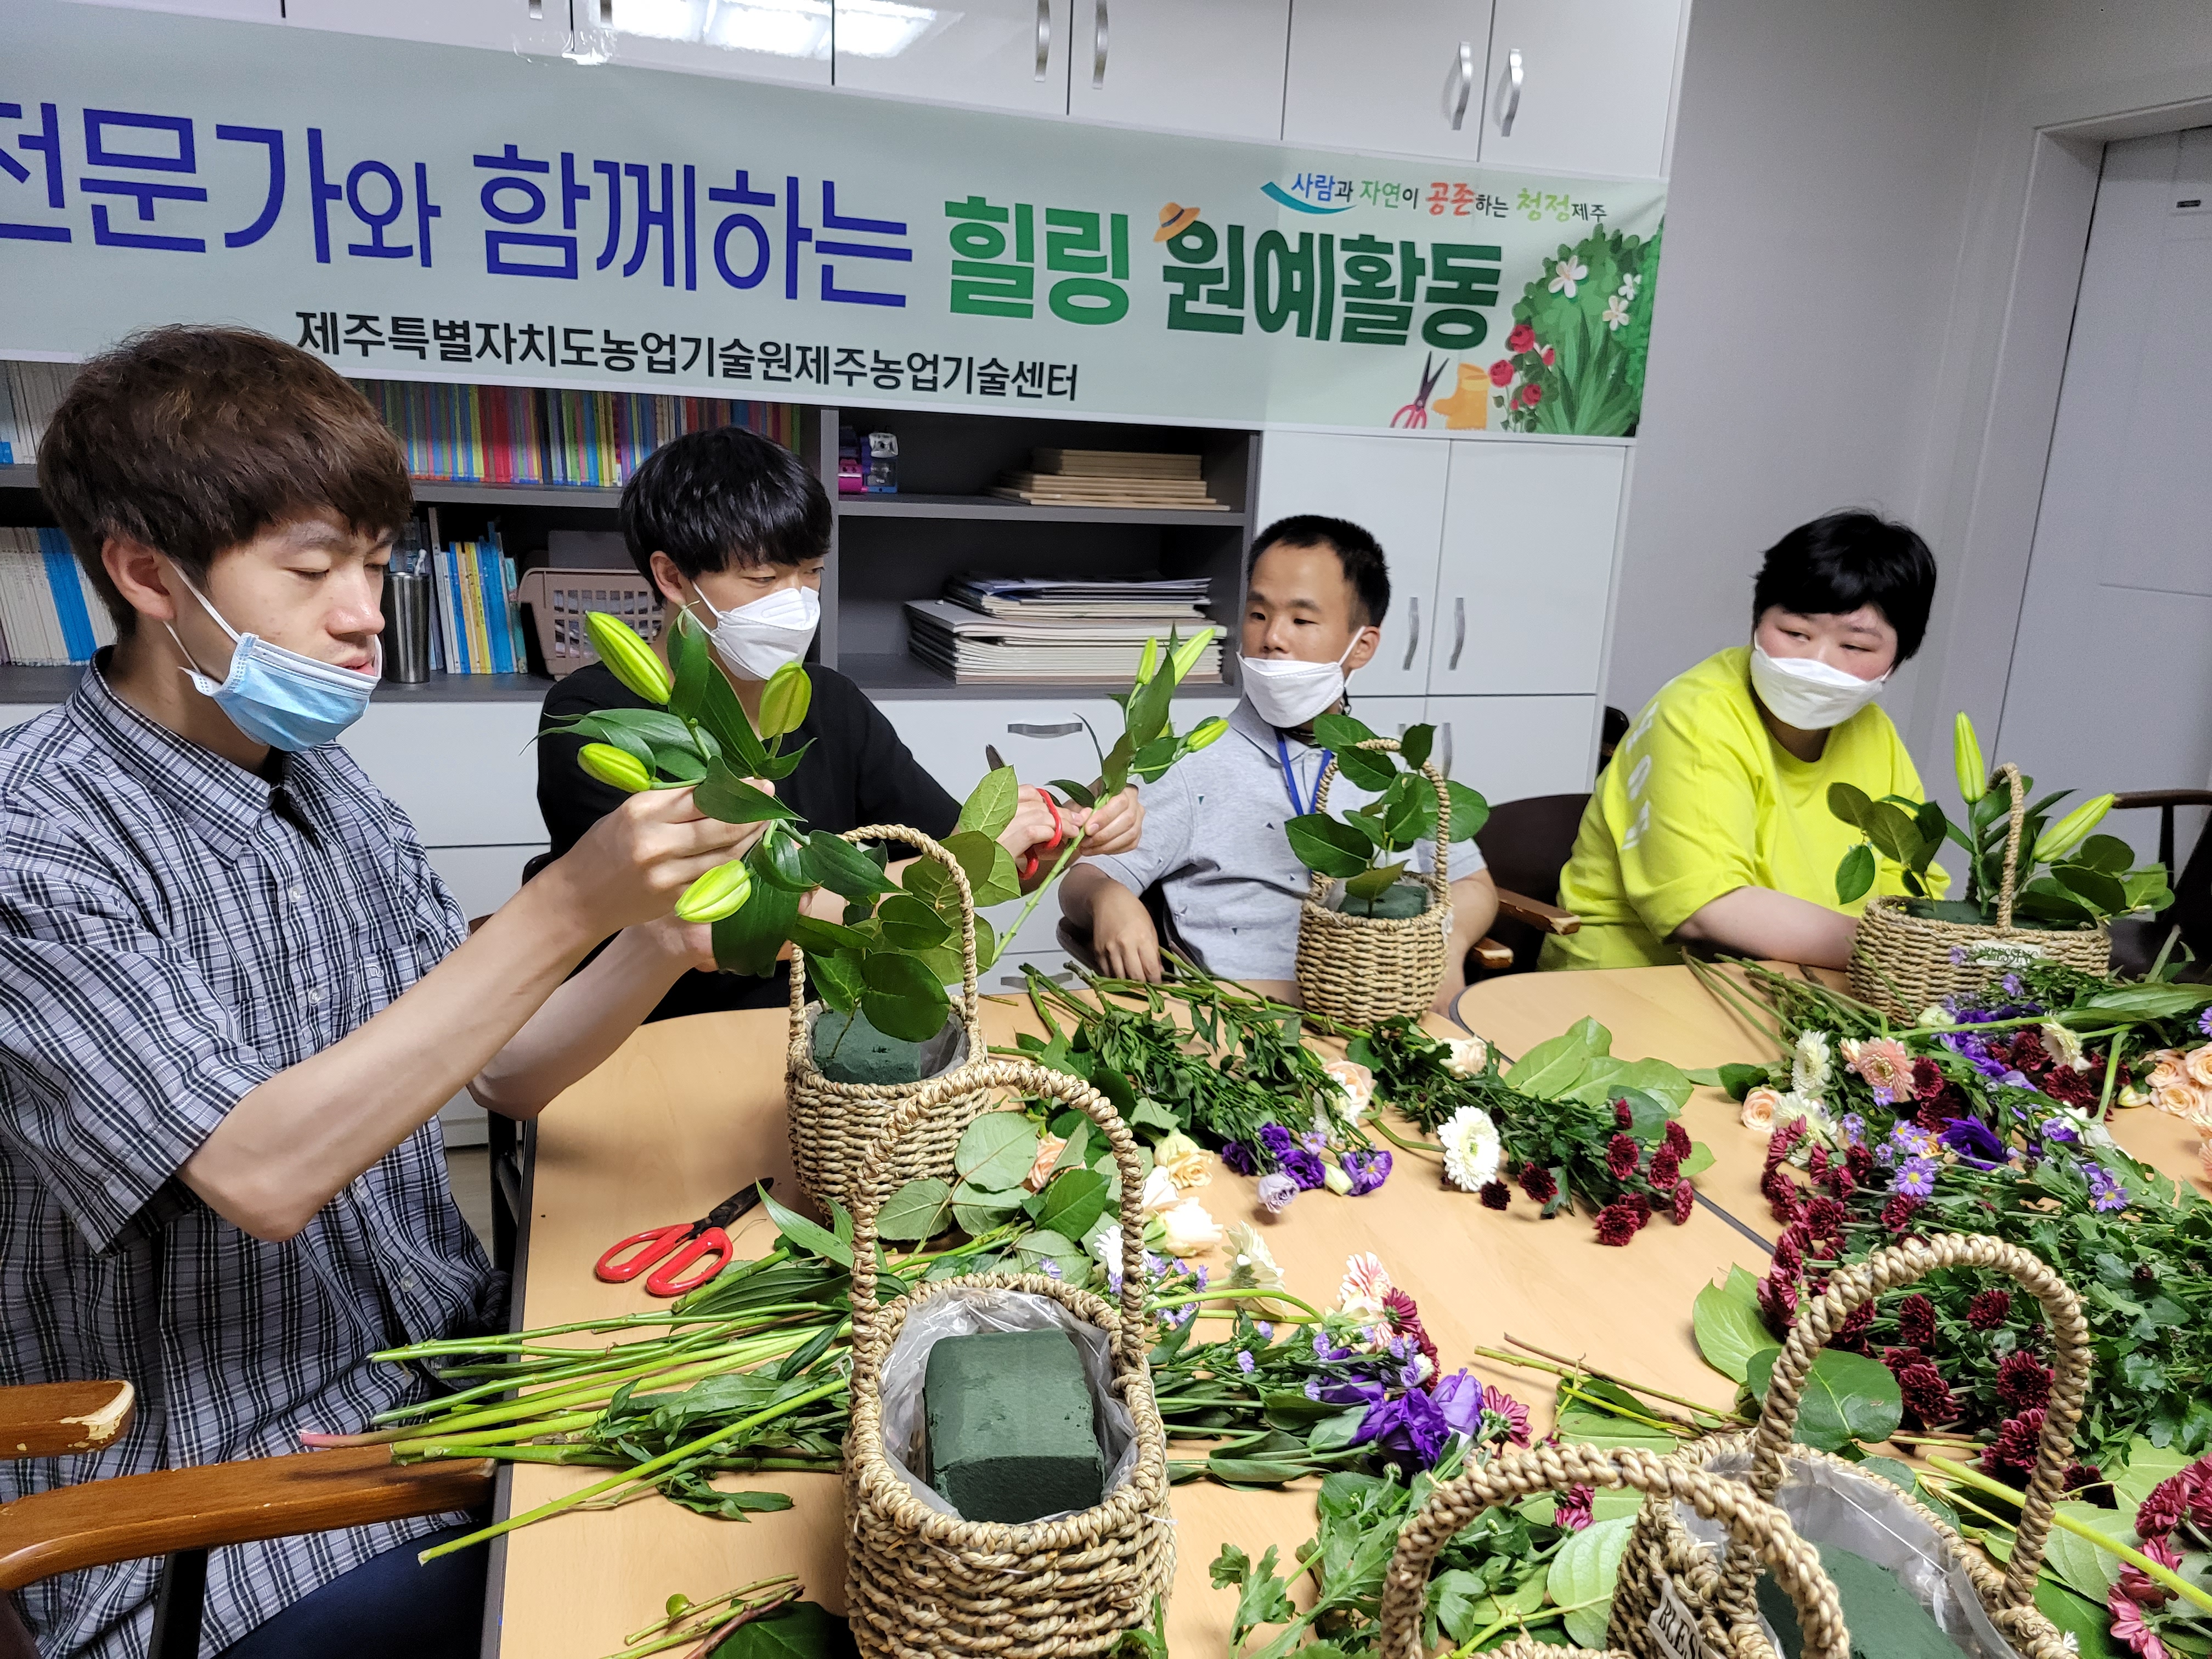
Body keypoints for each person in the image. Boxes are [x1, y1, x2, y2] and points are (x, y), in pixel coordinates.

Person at [0, 327, 769, 1659]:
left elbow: (504, 1068)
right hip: (228, 1509)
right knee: (703, 1585)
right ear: (148, 574)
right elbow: (262, 1171)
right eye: (314, 571)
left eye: (374, 563)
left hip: (453, 1381)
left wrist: (651, 939)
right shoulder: (38, 841)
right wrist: (566, 904)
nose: (365, 613)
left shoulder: (330, 788)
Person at [535, 426, 1143, 1020]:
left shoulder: (829, 702)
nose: (797, 601)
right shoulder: (596, 719)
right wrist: (950, 868)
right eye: (765, 579)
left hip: (830, 1027)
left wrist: (1067, 828)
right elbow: (708, 935)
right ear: (672, 577)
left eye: (811, 572)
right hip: (664, 1029)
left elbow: (958, 858)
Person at [1060, 515, 1499, 1013]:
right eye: (1258, 614)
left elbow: (1473, 883)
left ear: (1362, 646)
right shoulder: (1189, 765)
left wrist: (1450, 944)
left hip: (1385, 1014)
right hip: (1253, 1022)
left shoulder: (1391, 770)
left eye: (1302, 620)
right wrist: (1107, 898)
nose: (1273, 638)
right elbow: (1084, 876)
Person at [1543, 510, 1944, 971]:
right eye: (1795, 633)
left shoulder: (1874, 731)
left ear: (1899, 657)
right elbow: (1710, 909)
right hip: (1642, 980)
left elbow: (1910, 883)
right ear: (1756, 621)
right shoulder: (1697, 714)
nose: (1817, 662)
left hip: (1809, 977)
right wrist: (1901, 956)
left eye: (1855, 647)